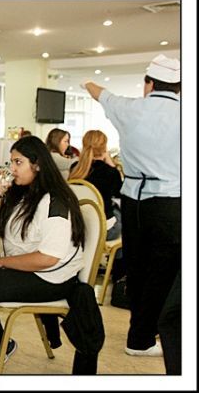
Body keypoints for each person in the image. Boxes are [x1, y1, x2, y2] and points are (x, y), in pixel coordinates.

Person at [81, 53, 180, 357]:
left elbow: (97, 91)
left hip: (133, 200)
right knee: (165, 272)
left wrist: (87, 82)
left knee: (137, 268)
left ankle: (138, 337)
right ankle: (152, 335)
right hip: (171, 200)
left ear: (148, 83)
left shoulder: (129, 108)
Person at [0, 136, 86, 374]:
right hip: (27, 268)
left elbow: (48, 258)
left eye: (18, 162)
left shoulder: (55, 202)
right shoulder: (25, 193)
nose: (12, 169)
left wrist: (1, 262)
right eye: (11, 162)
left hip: (51, 277)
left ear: (37, 165)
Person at [69, 130, 124, 278]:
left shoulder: (75, 169)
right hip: (103, 230)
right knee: (123, 218)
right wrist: (111, 163)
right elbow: (121, 194)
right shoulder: (110, 173)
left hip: (78, 227)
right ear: (104, 148)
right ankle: (118, 273)